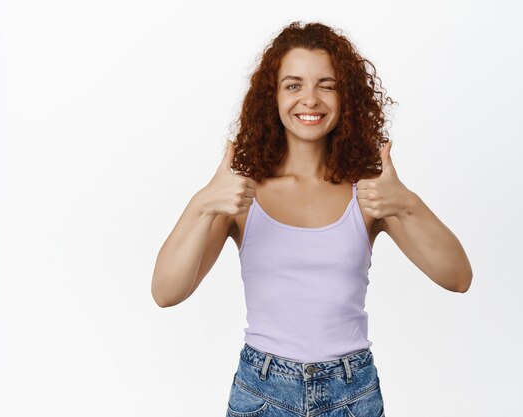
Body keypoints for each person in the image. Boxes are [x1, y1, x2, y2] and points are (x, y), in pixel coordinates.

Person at [151, 21, 473, 417]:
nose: (310, 99)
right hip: (263, 393)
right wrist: (202, 204)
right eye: (293, 84)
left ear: (346, 96)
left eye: (327, 84)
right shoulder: (241, 195)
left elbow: (458, 277)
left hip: (352, 394)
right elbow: (166, 292)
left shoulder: (369, 193)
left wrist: (407, 202)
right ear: (273, 97)